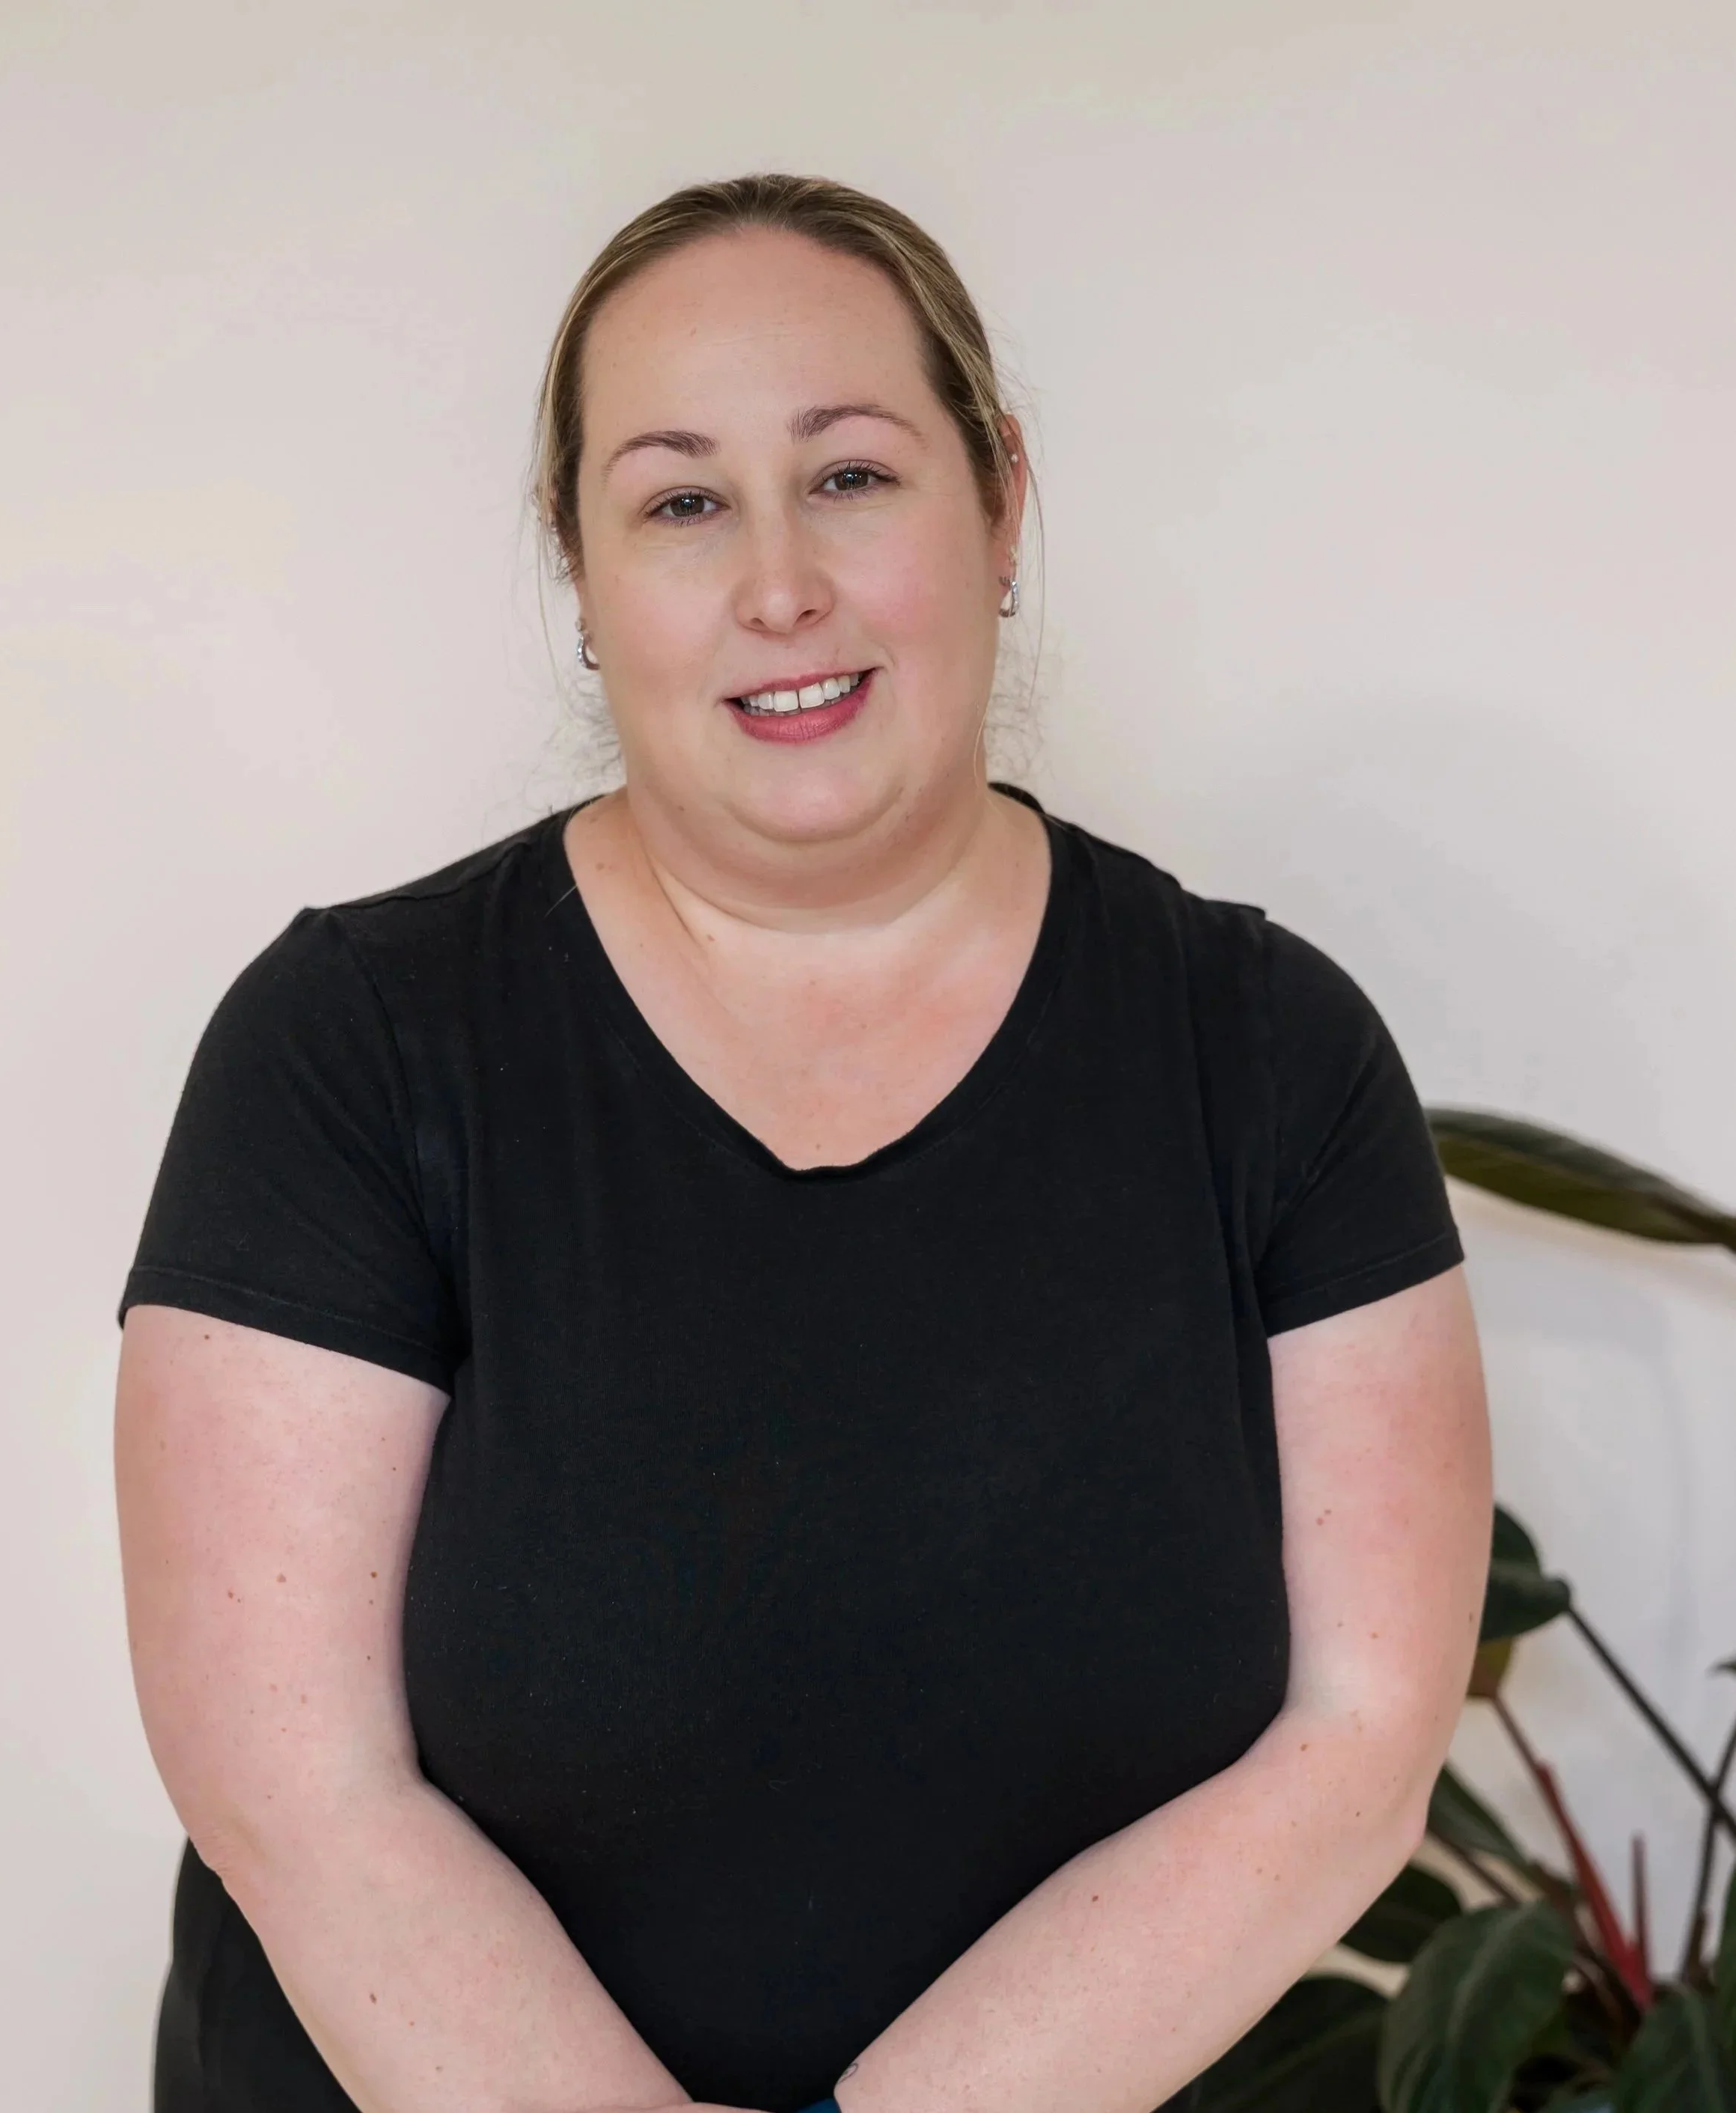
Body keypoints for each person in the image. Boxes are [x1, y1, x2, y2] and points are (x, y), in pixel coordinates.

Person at [114, 171, 1492, 2113]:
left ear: (1000, 502)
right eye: (681, 501)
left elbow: (1358, 1745)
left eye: (850, 475)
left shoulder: (1271, 1057)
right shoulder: (346, 1051)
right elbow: (296, 1787)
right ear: (582, 581)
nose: (780, 584)